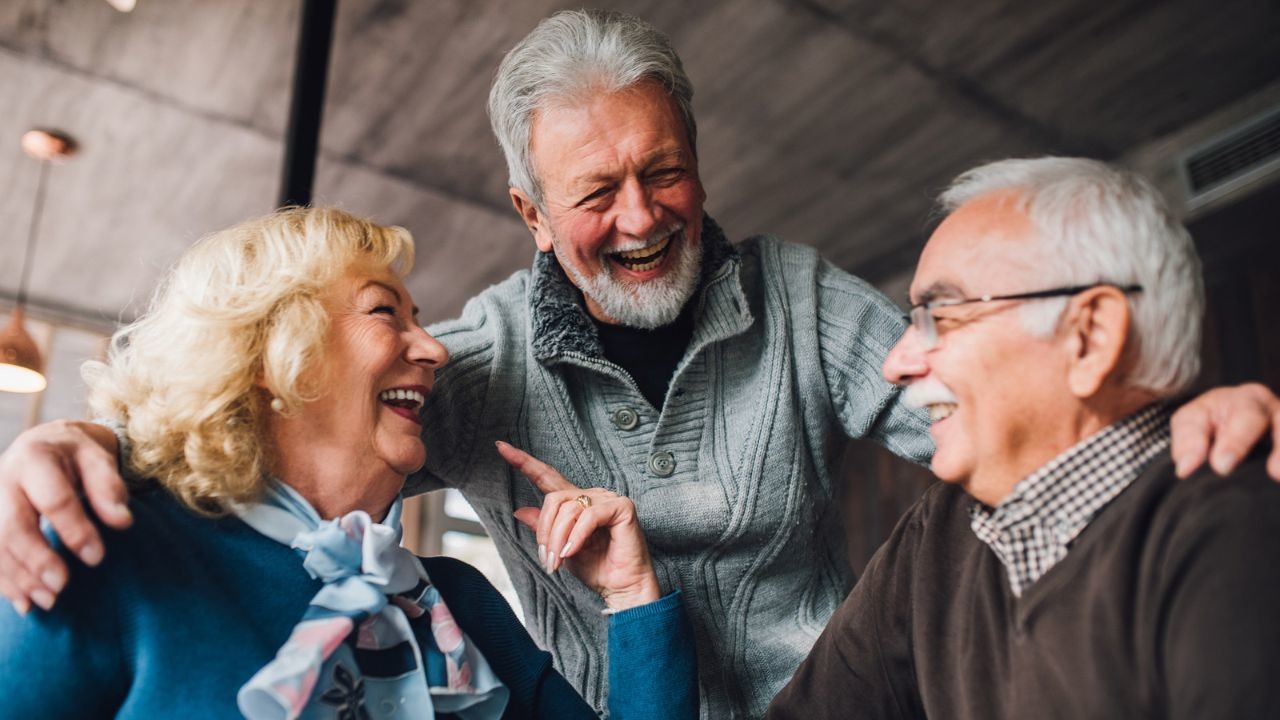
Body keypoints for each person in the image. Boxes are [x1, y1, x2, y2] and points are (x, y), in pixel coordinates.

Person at [2, 10, 1279, 719]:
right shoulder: (476, 359)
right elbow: (292, 419)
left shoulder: (797, 298)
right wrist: (90, 451)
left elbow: (997, 412)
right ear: (527, 212)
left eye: (662, 171)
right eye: (595, 190)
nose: (639, 215)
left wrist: (1157, 412)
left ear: (698, 165)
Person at [0, 207, 696, 719]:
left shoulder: (453, 604)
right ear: (276, 356)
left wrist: (632, 593)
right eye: (384, 312)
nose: (434, 349)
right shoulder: (102, 549)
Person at [766, 158, 1280, 719]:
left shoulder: (1234, 532)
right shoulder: (938, 537)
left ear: (1090, 337)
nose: (895, 362)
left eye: (938, 314)